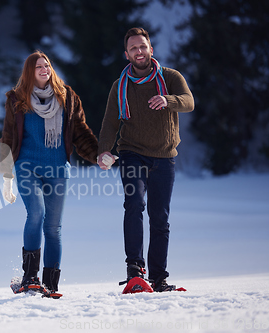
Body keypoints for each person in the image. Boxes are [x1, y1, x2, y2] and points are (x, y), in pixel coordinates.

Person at [97, 27, 194, 292]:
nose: (139, 52)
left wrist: (167, 99)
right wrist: (103, 150)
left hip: (164, 156)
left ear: (151, 49)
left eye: (143, 46)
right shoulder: (120, 86)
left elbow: (189, 102)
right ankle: (135, 271)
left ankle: (159, 278)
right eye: (133, 48)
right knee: (135, 204)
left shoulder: (170, 77)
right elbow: (109, 123)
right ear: (126, 54)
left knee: (160, 217)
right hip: (131, 153)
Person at [0, 50, 98, 296]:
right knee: (36, 213)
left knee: (53, 228)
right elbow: (8, 137)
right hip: (27, 166)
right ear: (29, 72)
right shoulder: (16, 99)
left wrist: (98, 155)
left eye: (47, 65)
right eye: (38, 67)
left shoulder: (67, 97)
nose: (45, 69)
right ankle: (30, 277)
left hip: (57, 170)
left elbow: (80, 132)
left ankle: (50, 284)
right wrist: (6, 175)